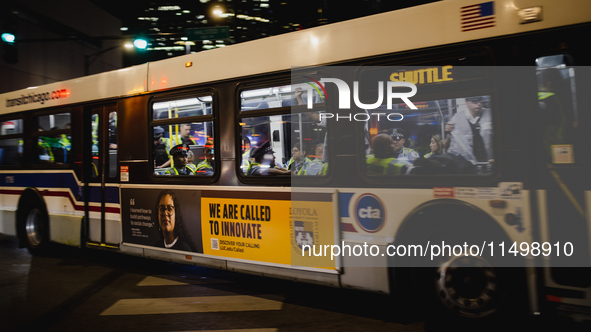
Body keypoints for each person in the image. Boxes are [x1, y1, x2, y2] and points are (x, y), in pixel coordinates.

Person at [444, 96, 493, 165]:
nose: (479, 104)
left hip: (489, 160)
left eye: (481, 101)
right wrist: (449, 132)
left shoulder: (490, 114)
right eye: (475, 101)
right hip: (467, 163)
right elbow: (451, 145)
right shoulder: (457, 118)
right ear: (466, 102)